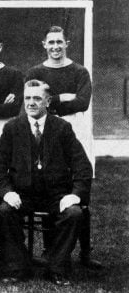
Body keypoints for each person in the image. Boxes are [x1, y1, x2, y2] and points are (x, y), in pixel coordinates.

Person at [0, 80, 92, 286]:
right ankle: (18, 267)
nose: (31, 103)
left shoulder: (62, 128)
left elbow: (82, 166)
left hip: (55, 194)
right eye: (28, 98)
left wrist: (74, 195)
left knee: (74, 213)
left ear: (48, 101)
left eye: (37, 98)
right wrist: (7, 192)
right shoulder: (12, 128)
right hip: (22, 193)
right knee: (5, 211)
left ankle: (56, 267)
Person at [26, 26, 101, 269]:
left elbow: (83, 101)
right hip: (47, 129)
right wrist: (63, 98)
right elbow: (34, 102)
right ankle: (51, 249)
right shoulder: (36, 71)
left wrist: (53, 100)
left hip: (75, 129)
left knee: (79, 191)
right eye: (51, 42)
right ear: (43, 44)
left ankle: (85, 253)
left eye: (60, 42)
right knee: (52, 183)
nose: (56, 46)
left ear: (66, 43)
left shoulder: (79, 71)